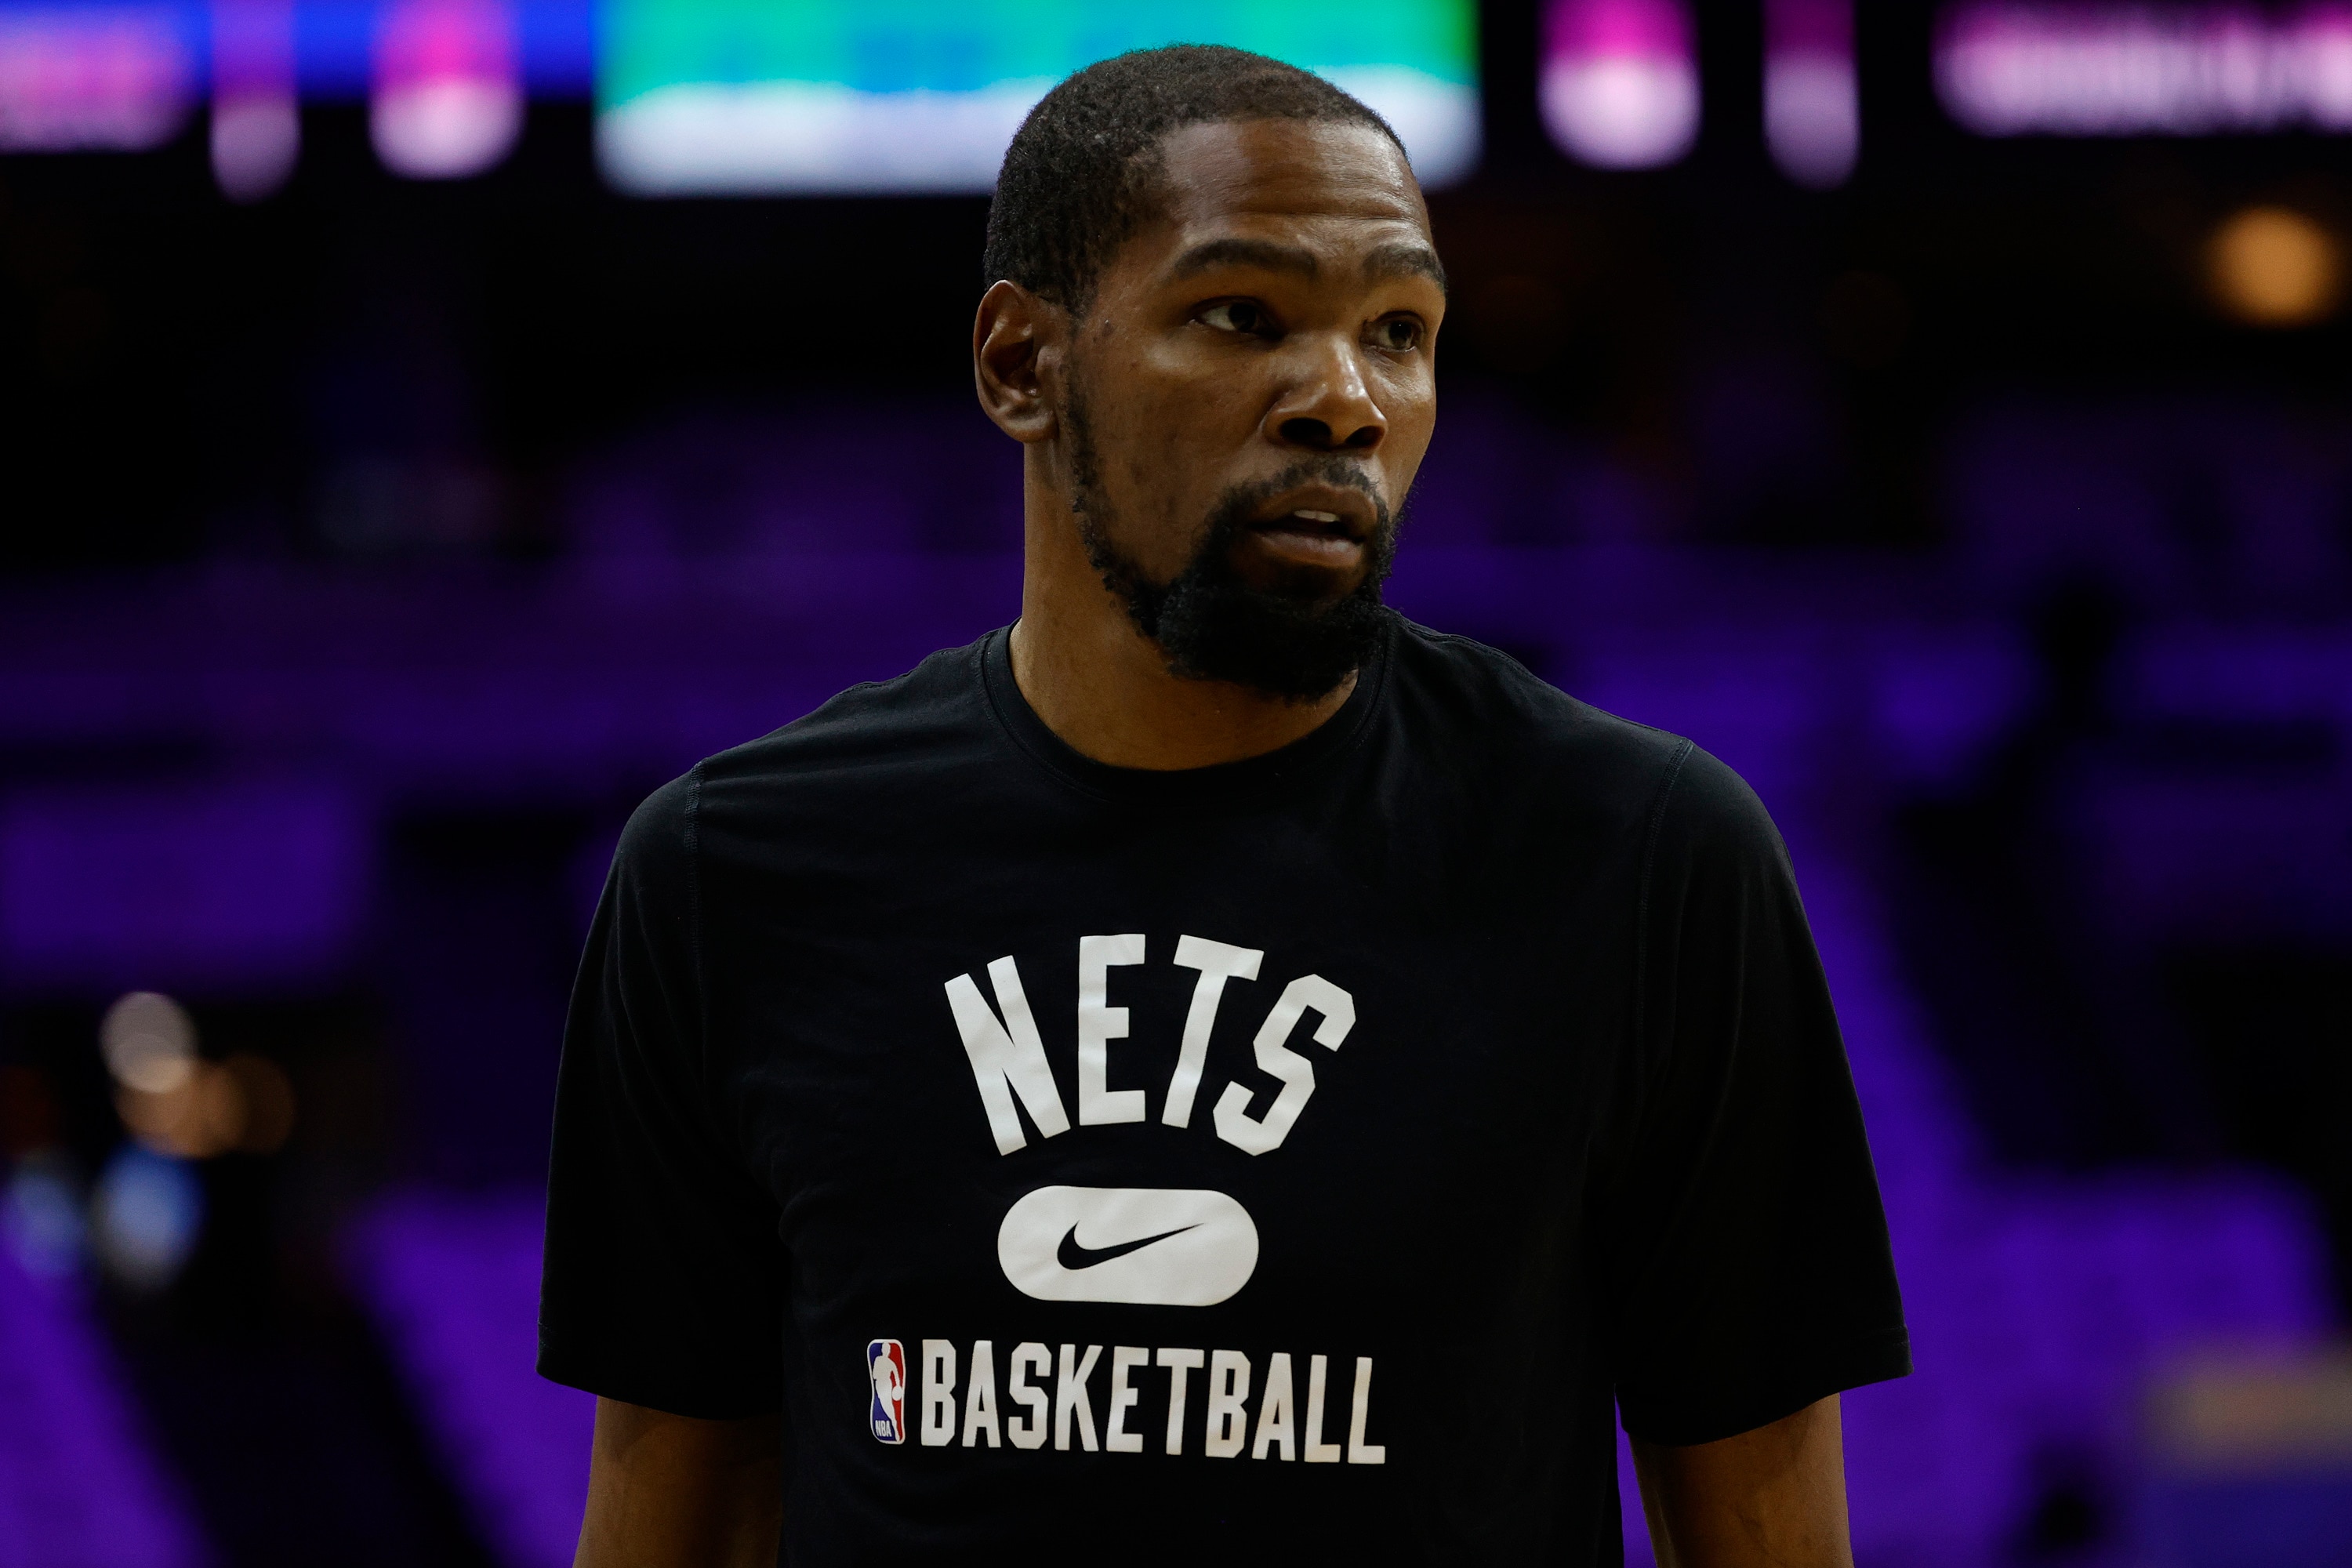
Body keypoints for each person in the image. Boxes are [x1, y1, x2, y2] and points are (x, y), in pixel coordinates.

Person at [540, 44, 1907, 1568]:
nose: (1346, 399)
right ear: (1020, 366)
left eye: (1400, 331)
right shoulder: (732, 873)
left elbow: (1765, 1528)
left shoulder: (1647, 858)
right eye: (1242, 315)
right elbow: (678, 1508)